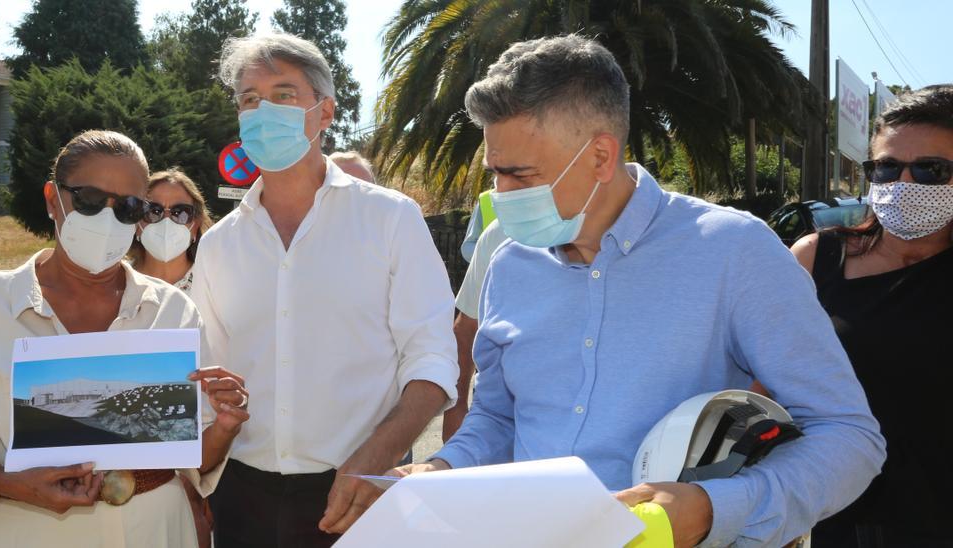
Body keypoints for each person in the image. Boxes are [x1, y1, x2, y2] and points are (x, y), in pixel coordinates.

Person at [377, 36, 886, 547]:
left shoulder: (735, 252)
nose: (500, 195)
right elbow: (497, 417)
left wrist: (716, 510)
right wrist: (442, 468)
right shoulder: (510, 265)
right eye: (495, 172)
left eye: (520, 175)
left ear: (601, 155)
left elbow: (848, 436)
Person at [0, 130, 250, 548]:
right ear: (53, 198)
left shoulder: (174, 311)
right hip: (32, 531)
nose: (108, 219)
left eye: (128, 207)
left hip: (158, 531)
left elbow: (194, 453)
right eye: (90, 200)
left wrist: (224, 425)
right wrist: (11, 483)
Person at [194, 33, 458, 547]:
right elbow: (206, 380)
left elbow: (432, 359)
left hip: (359, 492)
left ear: (326, 112)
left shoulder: (389, 218)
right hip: (240, 495)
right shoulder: (220, 244)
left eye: (284, 94)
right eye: (250, 99)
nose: (264, 110)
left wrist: (376, 459)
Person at [788, 85, 953, 546]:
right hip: (831, 517)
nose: (904, 184)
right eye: (886, 166)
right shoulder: (815, 258)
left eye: (931, 170)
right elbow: (757, 381)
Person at [444, 218, 507, 441]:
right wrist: (456, 405)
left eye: (518, 179)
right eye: (499, 180)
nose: (504, 188)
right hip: (498, 426)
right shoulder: (500, 232)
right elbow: (468, 326)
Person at [130, 169, 213, 292]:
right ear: (136, 223)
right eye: (154, 211)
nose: (166, 221)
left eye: (180, 212)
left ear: (196, 226)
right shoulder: (114, 281)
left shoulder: (214, 284)